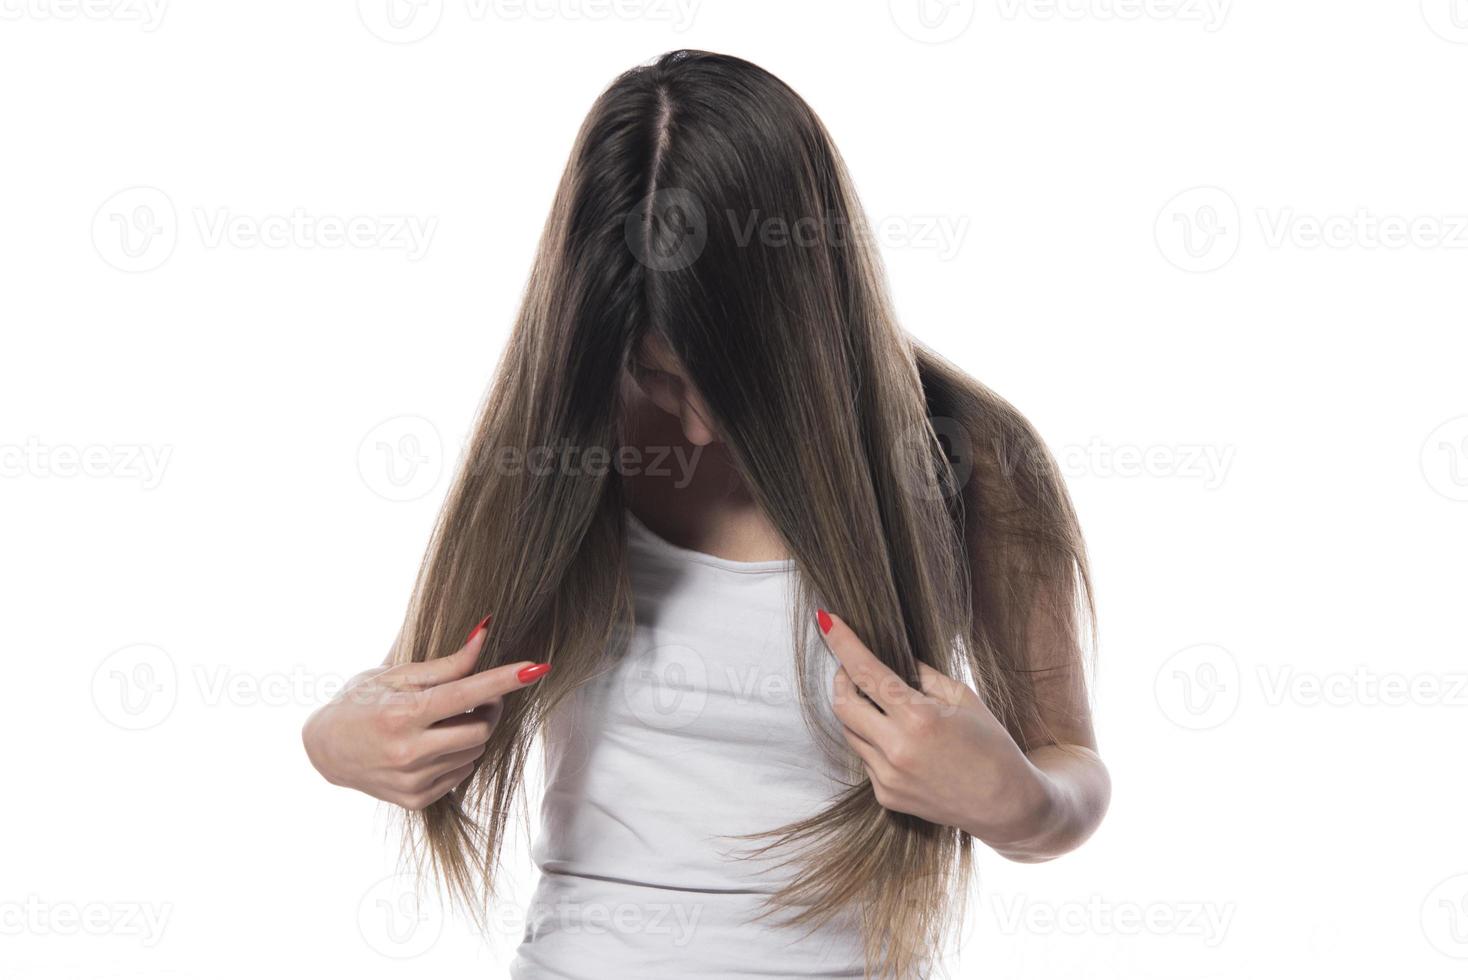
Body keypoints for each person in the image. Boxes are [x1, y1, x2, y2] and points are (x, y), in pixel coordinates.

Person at [303, 49, 1110, 979]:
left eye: (727, 382)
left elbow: (1071, 762)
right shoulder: (564, 442)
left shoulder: (975, 461)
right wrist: (335, 741)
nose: (689, 424)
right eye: (654, 374)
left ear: (808, 315)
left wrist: (1024, 806)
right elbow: (410, 695)